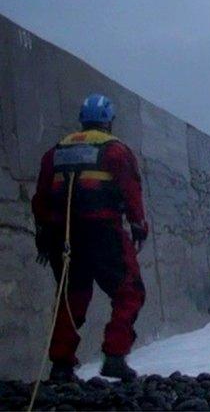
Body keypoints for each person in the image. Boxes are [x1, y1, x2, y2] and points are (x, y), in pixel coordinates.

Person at [31, 93, 148, 382]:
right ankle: (115, 356)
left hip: (64, 235)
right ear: (109, 120)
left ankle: (61, 365)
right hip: (104, 232)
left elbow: (41, 198)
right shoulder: (115, 151)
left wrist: (44, 235)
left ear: (82, 119)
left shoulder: (55, 152)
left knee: (72, 297)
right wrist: (138, 227)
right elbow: (131, 191)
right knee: (129, 291)